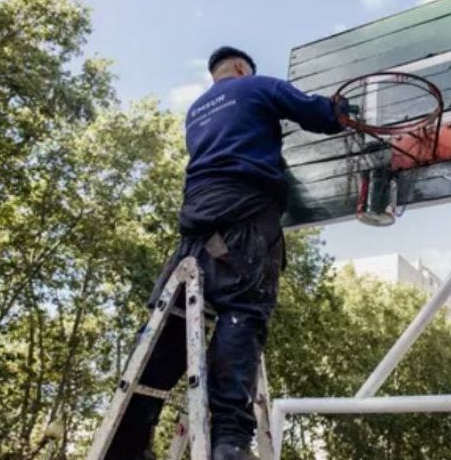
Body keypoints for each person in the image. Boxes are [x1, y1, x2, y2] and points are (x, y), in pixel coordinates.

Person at [106, 46, 347, 460]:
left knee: (171, 337)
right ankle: (230, 443)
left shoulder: (196, 112)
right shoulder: (258, 87)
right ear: (240, 68)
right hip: (245, 220)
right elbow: (320, 114)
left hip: (196, 230)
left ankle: (126, 444)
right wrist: (341, 108)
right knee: (241, 314)